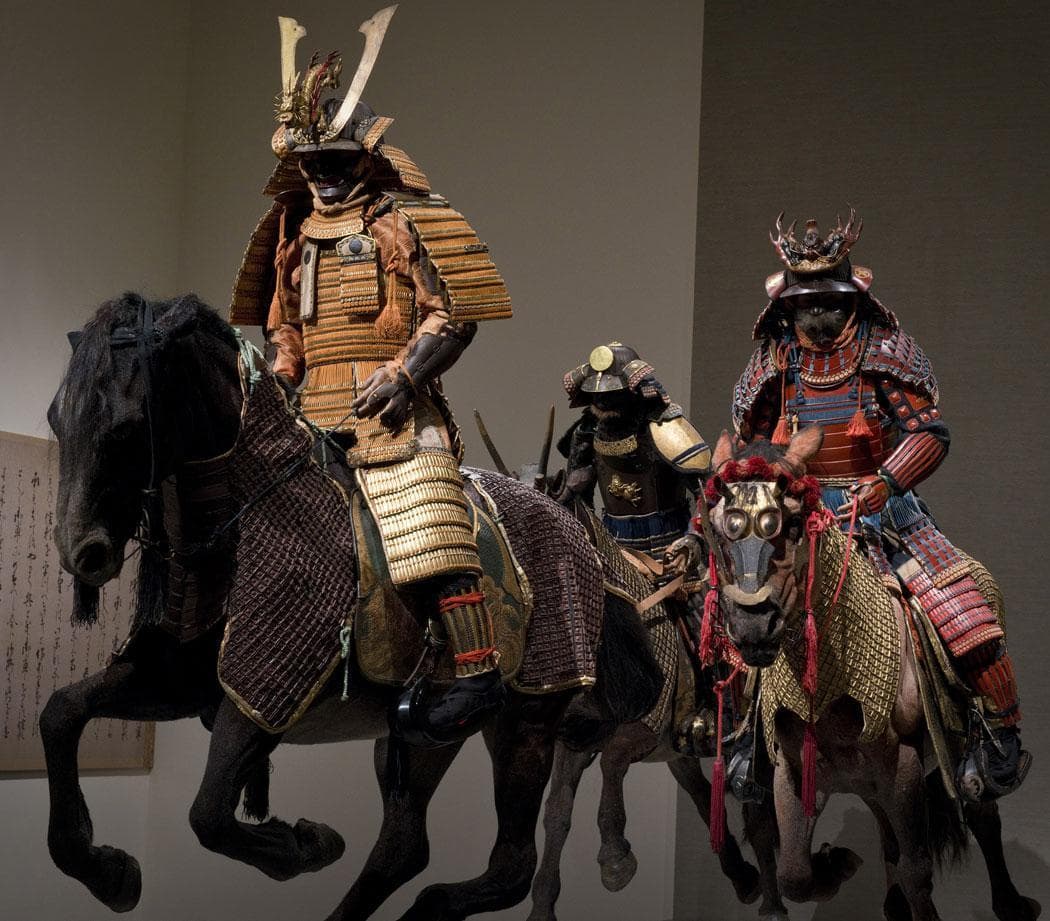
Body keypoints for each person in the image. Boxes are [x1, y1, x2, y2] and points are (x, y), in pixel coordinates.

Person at [229, 11, 513, 743]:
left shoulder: (402, 221)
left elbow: (451, 313)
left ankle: (476, 671)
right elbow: (283, 322)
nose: (323, 175)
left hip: (393, 407)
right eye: (312, 163)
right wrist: (283, 369)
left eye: (336, 160)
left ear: (366, 158)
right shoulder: (293, 230)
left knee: (430, 517)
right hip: (310, 409)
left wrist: (405, 375)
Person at [732, 210, 1028, 796]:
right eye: (805, 304)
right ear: (786, 306)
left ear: (852, 298)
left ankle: (995, 732)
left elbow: (928, 431)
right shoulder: (775, 362)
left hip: (884, 513)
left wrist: (887, 481)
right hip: (797, 517)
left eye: (829, 302)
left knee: (966, 607)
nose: (817, 315)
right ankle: (747, 740)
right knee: (743, 608)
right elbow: (753, 444)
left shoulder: (883, 351)